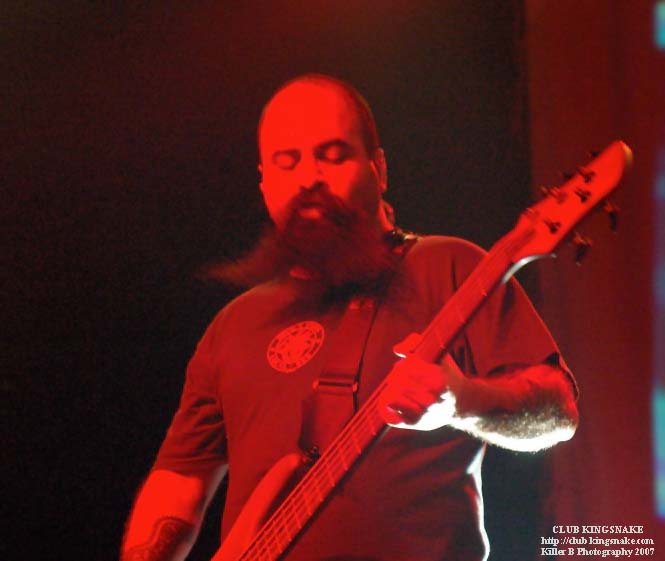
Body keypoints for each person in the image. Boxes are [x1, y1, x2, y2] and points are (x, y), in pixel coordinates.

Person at [120, 74, 579, 561]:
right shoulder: (233, 325)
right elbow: (179, 485)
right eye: (287, 162)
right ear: (264, 182)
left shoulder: (450, 268)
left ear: (378, 169)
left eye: (333, 155)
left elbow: (559, 412)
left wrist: (461, 402)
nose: (309, 178)